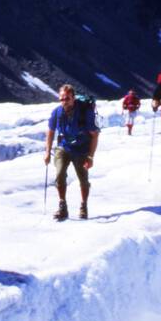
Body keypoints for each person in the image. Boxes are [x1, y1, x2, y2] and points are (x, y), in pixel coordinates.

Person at [44, 85, 99, 220]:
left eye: (67, 98)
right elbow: (50, 132)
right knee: (59, 174)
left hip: (81, 149)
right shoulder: (57, 112)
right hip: (63, 147)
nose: (64, 101)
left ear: (73, 98)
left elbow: (95, 135)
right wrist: (47, 152)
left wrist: (90, 157)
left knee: (83, 180)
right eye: (61, 99)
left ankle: (83, 206)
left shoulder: (85, 112)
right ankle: (62, 206)